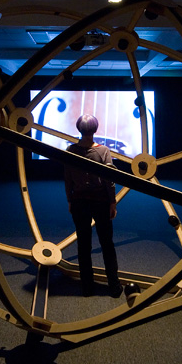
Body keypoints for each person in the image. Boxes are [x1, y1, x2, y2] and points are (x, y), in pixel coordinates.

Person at [64, 114, 122, 298]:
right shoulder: (103, 151)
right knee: (107, 244)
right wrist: (112, 201)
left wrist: (70, 200)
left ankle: (87, 288)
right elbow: (109, 180)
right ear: (95, 129)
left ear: (79, 129)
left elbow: (68, 179)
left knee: (83, 245)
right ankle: (114, 286)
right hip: (101, 202)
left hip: (79, 202)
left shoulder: (70, 151)